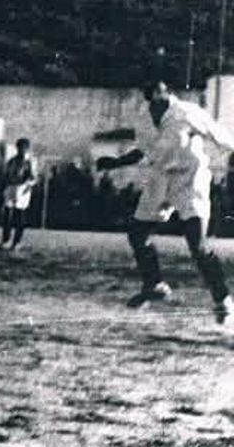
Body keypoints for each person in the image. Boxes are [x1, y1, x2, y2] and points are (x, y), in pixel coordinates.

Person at [96, 81, 232, 326]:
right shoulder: (144, 118)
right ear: (148, 97)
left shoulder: (187, 113)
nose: (156, 99)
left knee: (197, 245)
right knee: (138, 234)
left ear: (167, 93)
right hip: (160, 177)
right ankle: (155, 284)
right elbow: (142, 150)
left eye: (161, 93)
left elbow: (219, 135)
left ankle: (223, 299)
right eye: (151, 95)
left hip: (190, 178)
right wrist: (115, 163)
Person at [0, 137, 37, 250]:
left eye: (24, 148)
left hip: (22, 188)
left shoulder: (30, 161)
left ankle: (17, 242)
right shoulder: (12, 160)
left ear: (27, 149)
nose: (21, 150)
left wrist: (28, 186)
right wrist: (6, 185)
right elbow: (6, 174)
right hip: (11, 187)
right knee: (7, 213)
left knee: (19, 214)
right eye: (20, 147)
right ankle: (6, 240)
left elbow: (33, 177)